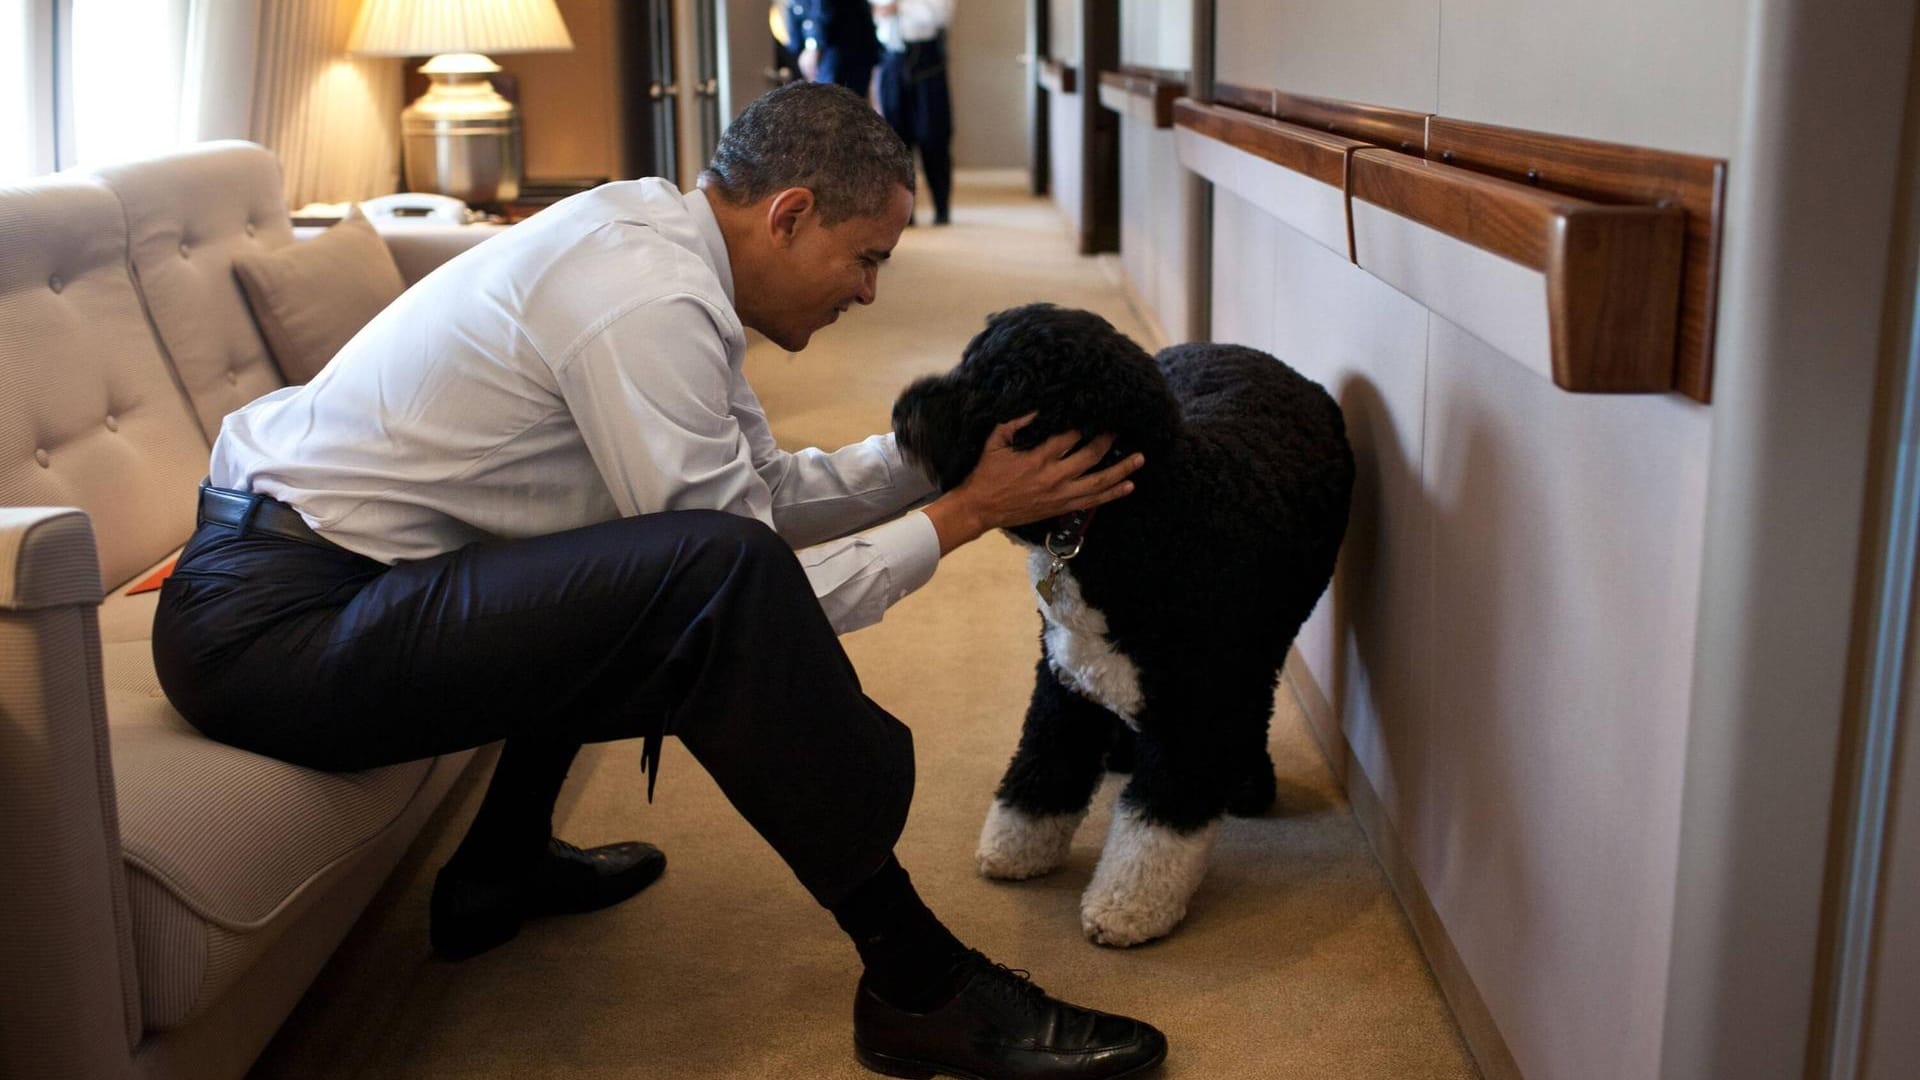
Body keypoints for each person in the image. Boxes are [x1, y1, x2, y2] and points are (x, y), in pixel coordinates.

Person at [150, 82, 1165, 1080]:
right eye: (866, 259)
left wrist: (931, 455)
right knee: (701, 573)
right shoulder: (646, 297)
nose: (869, 292)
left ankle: (499, 865)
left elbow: (759, 493)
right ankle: (919, 986)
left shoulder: (663, 246)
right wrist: (969, 512)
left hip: (314, 583)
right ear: (789, 215)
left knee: (640, 542)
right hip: (274, 632)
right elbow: (743, 584)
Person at [875, 0, 955, 225]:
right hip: (891, 57)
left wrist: (900, 6)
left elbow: (940, 15)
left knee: (934, 135)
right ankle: (904, 213)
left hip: (925, 57)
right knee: (896, 139)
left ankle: (942, 207)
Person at [784, 0, 882, 94]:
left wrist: (813, 45)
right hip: (829, 46)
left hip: (842, 46)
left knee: (835, 100)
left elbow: (821, 9)